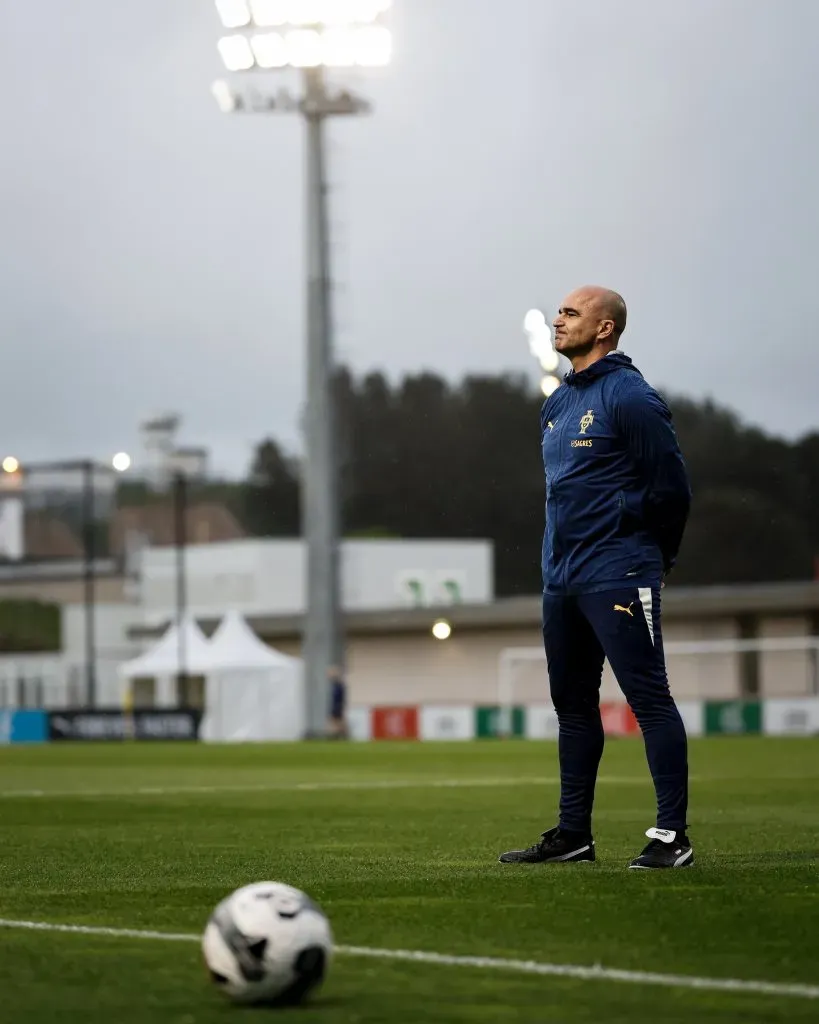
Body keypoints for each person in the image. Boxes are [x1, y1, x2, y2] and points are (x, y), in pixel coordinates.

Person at [499, 286, 693, 870]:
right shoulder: (557, 404)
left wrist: (655, 559)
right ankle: (574, 836)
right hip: (562, 580)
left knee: (648, 700)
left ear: (605, 328)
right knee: (573, 706)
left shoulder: (631, 397)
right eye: (558, 312)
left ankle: (672, 837)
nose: (558, 320)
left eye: (571, 313)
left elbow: (672, 489)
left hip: (619, 571)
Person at [327, 665, 348, 739]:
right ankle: (338, 734)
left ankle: (341, 734)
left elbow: (341, 698)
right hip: (336, 706)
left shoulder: (339, 686)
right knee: (336, 721)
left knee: (337, 721)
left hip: (338, 706)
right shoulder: (335, 685)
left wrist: (340, 707)